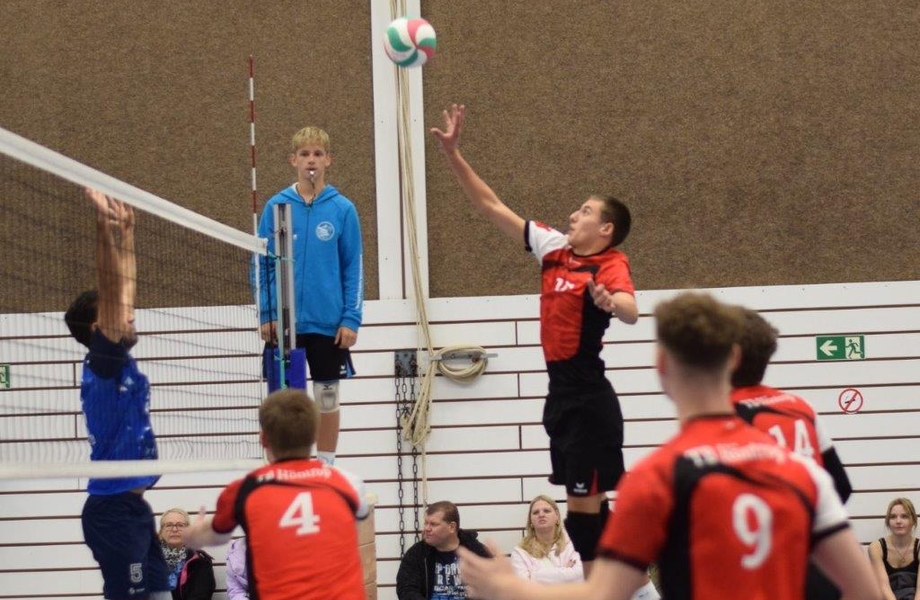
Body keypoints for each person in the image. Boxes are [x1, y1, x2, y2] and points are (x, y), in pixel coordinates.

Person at [456, 292, 881, 600]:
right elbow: (865, 593)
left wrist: (508, 587)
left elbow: (602, 594)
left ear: (661, 368)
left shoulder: (656, 479)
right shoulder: (801, 471)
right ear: (734, 360)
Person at [430, 103, 638, 573]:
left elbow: (631, 310)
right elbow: (490, 205)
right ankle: (623, 580)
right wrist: (453, 153)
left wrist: (610, 301)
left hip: (588, 402)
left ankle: (601, 588)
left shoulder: (610, 263)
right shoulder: (554, 248)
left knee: (582, 515)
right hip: (560, 399)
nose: (573, 214)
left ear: (605, 229)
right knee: (589, 507)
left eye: (585, 211)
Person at [64, 188, 170, 600]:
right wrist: (102, 230)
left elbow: (121, 290)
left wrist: (127, 236)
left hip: (134, 509)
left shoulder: (118, 359)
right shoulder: (102, 365)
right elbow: (111, 287)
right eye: (118, 312)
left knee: (161, 594)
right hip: (112, 514)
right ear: (98, 328)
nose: (130, 313)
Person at [182, 388, 369, 600]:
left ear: (263, 439)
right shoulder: (348, 483)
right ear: (314, 436)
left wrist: (191, 535)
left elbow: (212, 537)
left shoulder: (244, 490)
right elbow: (355, 519)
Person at [251, 125, 364, 466]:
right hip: (284, 323)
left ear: (328, 160)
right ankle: (284, 466)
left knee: (327, 396)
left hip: (327, 324)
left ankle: (326, 465)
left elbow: (353, 267)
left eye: (317, 154)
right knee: (284, 403)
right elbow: (261, 264)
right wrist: (266, 313)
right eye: (304, 154)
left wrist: (351, 318)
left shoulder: (343, 209)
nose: (311, 160)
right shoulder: (276, 207)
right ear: (293, 160)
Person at [731, 306, 853, 600]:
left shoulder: (723, 415)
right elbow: (841, 486)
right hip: (811, 563)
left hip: (761, 568)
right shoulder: (800, 407)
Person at [396, 500, 491, 600]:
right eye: (426, 523)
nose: (427, 528)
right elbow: (406, 590)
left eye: (433, 524)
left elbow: (494, 588)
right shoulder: (417, 553)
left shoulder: (477, 552)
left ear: (452, 527)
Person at [868, 498, 919, 600]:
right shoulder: (876, 548)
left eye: (904, 516)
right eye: (893, 517)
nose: (898, 521)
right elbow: (883, 587)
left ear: (913, 521)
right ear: (888, 522)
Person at [157, 508, 215, 600]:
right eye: (169, 525)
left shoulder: (200, 562)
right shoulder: (148, 560)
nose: (174, 529)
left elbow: (200, 597)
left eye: (180, 525)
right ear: (161, 531)